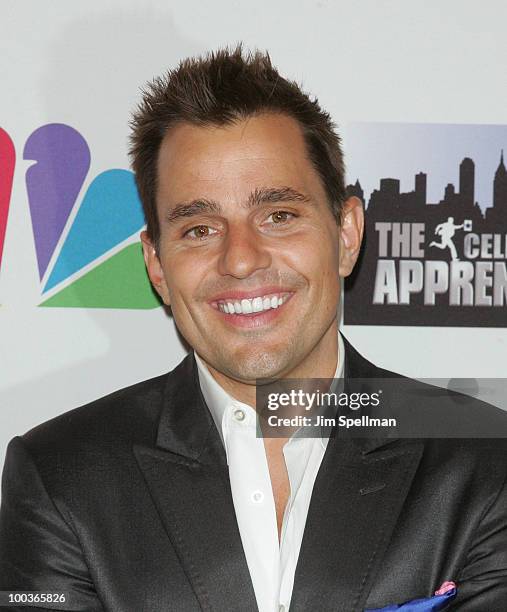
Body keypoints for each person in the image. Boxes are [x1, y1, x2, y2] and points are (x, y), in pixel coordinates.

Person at [1, 45, 506, 612]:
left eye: (279, 216)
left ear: (346, 234)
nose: (240, 259)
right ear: (156, 266)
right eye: (198, 228)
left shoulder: (483, 461)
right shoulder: (60, 476)